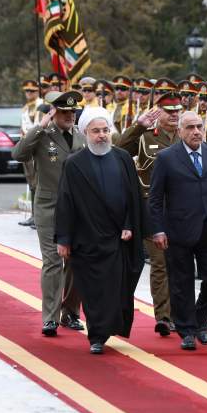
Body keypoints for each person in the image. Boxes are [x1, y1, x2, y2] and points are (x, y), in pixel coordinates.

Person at [55, 107, 148, 354]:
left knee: (117, 288)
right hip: (87, 240)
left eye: (106, 130)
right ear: (86, 133)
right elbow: (65, 202)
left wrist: (130, 224)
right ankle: (96, 335)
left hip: (119, 238)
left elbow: (133, 197)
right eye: (96, 131)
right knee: (94, 290)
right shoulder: (73, 164)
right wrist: (63, 238)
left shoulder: (122, 159)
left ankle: (106, 329)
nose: (102, 136)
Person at [149, 111, 207, 351]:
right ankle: (187, 330)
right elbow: (155, 198)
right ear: (180, 131)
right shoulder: (166, 157)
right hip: (178, 230)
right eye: (190, 127)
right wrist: (157, 230)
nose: (196, 131)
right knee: (181, 282)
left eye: (199, 126)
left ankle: (199, 318)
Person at [11, 90, 85, 337]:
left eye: (73, 112)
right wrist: (39, 126)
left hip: (76, 210)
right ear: (54, 113)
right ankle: (50, 318)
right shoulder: (43, 135)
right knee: (53, 261)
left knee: (75, 261)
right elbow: (18, 154)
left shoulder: (81, 137)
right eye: (64, 112)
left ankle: (71, 312)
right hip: (49, 206)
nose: (70, 116)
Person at [117, 94, 181, 336]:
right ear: (159, 114)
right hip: (153, 210)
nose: (174, 115)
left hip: (182, 210)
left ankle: (181, 313)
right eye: (169, 112)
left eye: (177, 111)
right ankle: (164, 317)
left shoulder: (187, 136)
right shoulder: (145, 138)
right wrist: (138, 126)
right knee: (161, 263)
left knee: (180, 263)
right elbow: (119, 151)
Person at [18, 79, 43, 228]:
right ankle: (33, 215)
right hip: (26, 148)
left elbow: (39, 128)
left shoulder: (40, 106)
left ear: (37, 91)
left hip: (35, 148)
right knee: (31, 183)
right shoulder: (26, 108)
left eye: (32, 91)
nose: (29, 93)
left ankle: (38, 217)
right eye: (27, 91)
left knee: (38, 183)